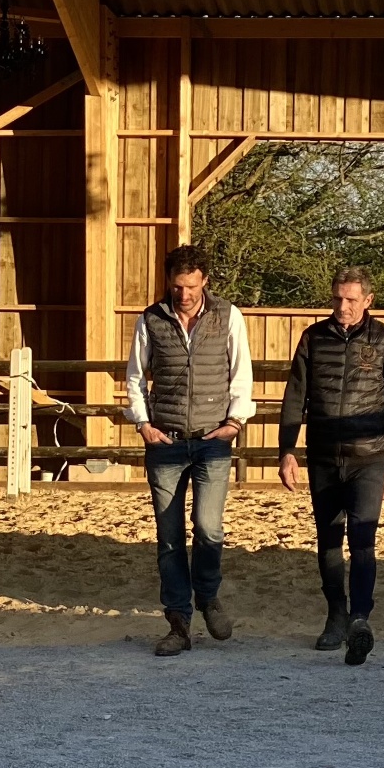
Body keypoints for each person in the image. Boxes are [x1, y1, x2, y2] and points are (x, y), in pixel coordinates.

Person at [124, 244, 255, 656]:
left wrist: (235, 422)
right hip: (165, 442)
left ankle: (209, 596)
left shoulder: (228, 315)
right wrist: (142, 423)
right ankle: (178, 621)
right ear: (169, 283)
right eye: (177, 287)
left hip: (212, 441)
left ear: (205, 281)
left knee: (209, 528)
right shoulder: (151, 319)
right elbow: (134, 376)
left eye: (191, 286)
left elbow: (241, 372)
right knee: (168, 537)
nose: (184, 294)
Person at [278, 266, 384, 666]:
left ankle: (359, 620)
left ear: (368, 301)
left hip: (369, 457)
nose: (343, 306)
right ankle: (335, 614)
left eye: (351, 299)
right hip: (322, 457)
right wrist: (286, 450)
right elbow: (294, 395)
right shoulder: (313, 338)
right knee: (329, 539)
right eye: (337, 298)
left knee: (363, 538)